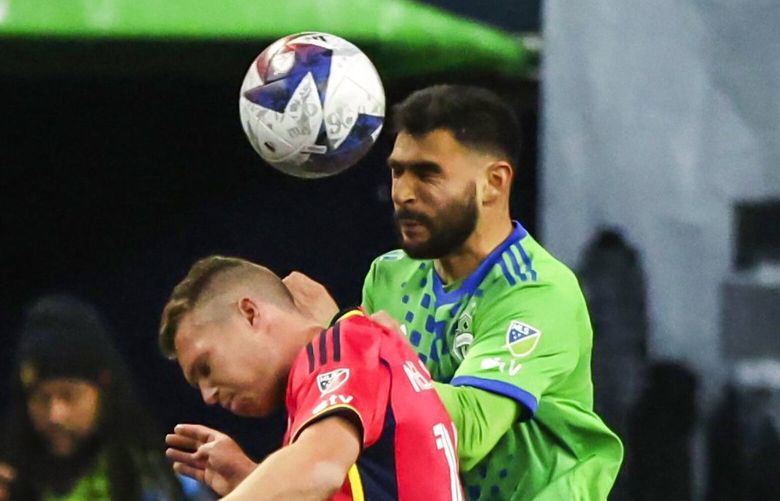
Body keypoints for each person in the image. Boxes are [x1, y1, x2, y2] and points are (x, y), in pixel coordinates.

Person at [285, 84, 624, 500]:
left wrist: (339, 340)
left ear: (493, 184)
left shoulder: (538, 292)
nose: (403, 194)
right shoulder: (390, 275)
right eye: (397, 171)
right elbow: (372, 436)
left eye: (428, 173)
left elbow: (468, 432)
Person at [159, 256, 463, 500]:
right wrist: (250, 478)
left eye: (205, 368)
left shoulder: (343, 346)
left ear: (250, 313)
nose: (208, 396)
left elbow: (319, 470)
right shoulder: (350, 359)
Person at [0, 294, 205, 501]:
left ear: (104, 387)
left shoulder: (163, 481)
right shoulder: (8, 479)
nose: (56, 415)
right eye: (42, 399)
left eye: (69, 396)